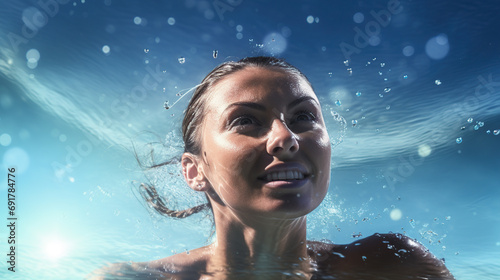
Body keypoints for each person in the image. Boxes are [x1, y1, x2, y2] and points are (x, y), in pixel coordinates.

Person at [90, 56, 454, 279]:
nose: (286, 137)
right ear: (194, 171)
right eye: (245, 121)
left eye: (303, 116)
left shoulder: (393, 268)